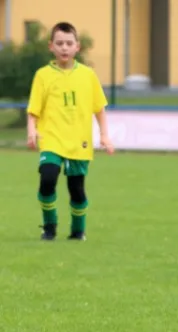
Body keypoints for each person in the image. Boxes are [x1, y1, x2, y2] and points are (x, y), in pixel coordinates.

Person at [27, 22, 114, 241]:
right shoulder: (43, 75)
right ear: (51, 47)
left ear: (77, 47)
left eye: (69, 43)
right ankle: (49, 227)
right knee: (47, 179)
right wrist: (31, 131)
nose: (64, 48)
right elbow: (33, 110)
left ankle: (77, 231)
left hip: (79, 141)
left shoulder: (88, 75)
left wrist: (104, 135)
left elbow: (100, 109)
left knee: (76, 189)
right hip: (52, 139)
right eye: (59, 43)